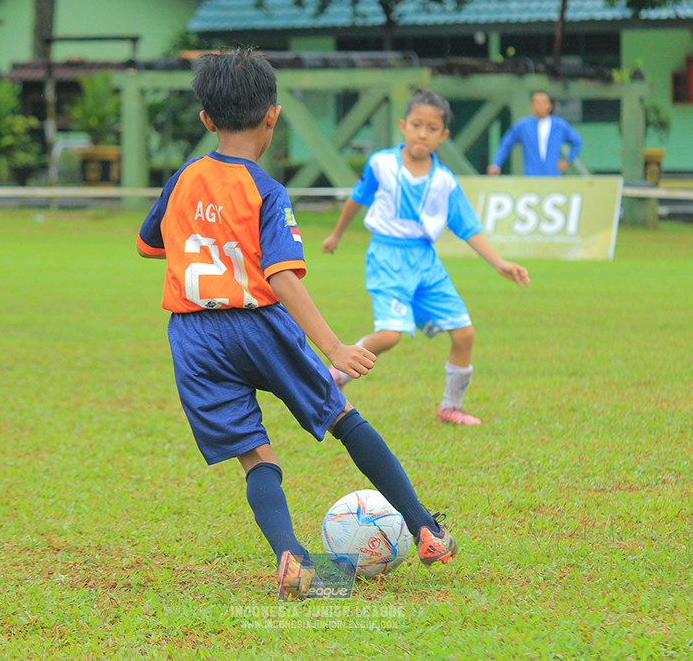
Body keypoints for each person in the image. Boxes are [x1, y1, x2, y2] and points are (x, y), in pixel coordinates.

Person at [136, 49, 457, 600]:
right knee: (341, 416)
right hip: (258, 324)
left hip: (192, 337)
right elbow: (283, 278)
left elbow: (149, 245)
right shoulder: (267, 191)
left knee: (256, 456)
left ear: (206, 120)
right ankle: (426, 528)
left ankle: (294, 560)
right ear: (273, 116)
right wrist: (333, 346)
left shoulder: (182, 180)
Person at [323, 87, 531, 426]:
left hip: (425, 261)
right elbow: (356, 199)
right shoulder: (381, 164)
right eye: (417, 125)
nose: (423, 134)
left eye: (432, 128)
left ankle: (451, 407)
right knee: (390, 335)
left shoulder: (445, 182)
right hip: (387, 255)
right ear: (404, 126)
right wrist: (336, 234)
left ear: (443, 135)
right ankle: (335, 375)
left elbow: (467, 227)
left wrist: (500, 263)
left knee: (464, 332)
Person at [487, 90, 582, 177]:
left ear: (549, 105)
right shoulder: (523, 126)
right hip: (531, 177)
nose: (541, 106)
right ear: (532, 106)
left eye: (544, 103)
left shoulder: (560, 125)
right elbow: (506, 144)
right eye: (538, 103)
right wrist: (496, 164)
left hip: (554, 177)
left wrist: (568, 161)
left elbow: (577, 141)